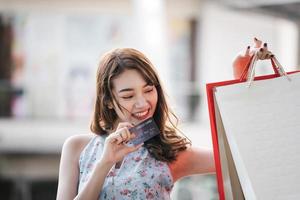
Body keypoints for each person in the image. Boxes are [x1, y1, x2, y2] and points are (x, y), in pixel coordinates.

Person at [56, 48, 215, 200]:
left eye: (148, 90)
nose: (142, 103)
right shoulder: (77, 148)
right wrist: (105, 163)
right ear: (109, 101)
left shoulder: (169, 152)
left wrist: (238, 79)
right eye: (128, 96)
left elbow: (231, 155)